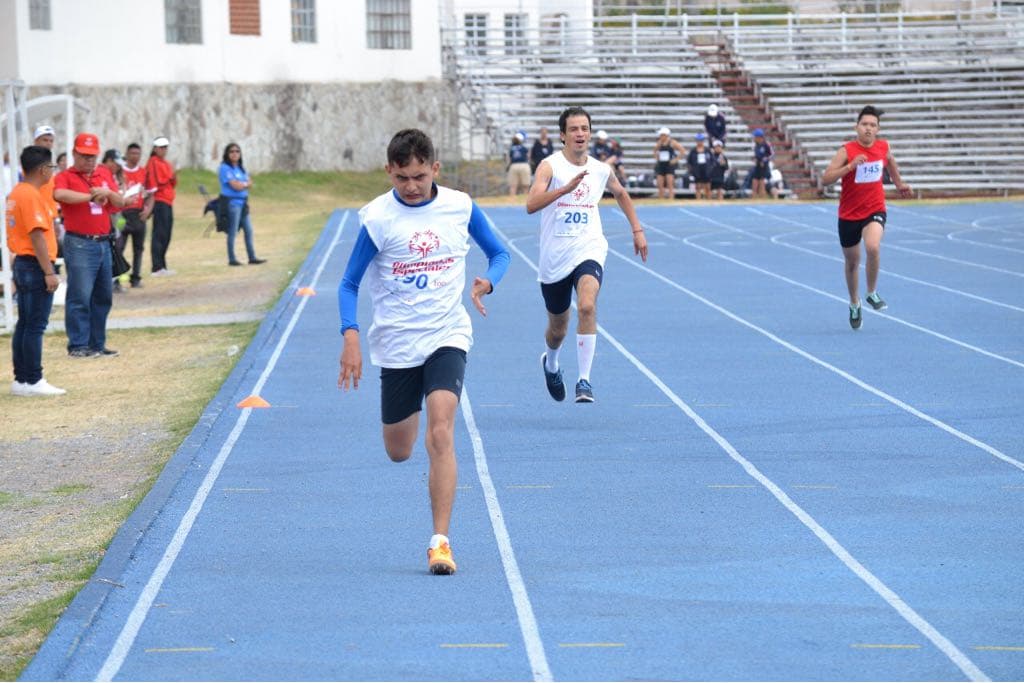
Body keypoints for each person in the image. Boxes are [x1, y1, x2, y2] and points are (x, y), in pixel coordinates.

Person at [337, 129, 510, 575]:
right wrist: (350, 335)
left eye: (418, 176)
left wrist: (488, 280)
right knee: (399, 450)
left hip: (446, 334)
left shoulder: (460, 207)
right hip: (396, 344)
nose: (411, 187)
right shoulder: (377, 218)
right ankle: (432, 515)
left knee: (441, 432)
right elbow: (348, 283)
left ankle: (440, 542)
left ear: (435, 168)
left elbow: (499, 254)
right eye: (401, 179)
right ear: (389, 172)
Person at [527, 106, 648, 403]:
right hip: (555, 255)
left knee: (587, 307)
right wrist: (564, 189)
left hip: (589, 246)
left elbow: (620, 192)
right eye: (574, 129)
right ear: (563, 136)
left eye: (584, 128)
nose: (580, 134)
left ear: (590, 133)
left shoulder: (600, 169)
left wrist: (637, 229)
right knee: (558, 328)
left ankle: (584, 381)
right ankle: (552, 363)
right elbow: (531, 204)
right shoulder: (550, 166)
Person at [821, 105, 911, 330]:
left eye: (873, 125)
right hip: (849, 214)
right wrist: (850, 166)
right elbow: (826, 179)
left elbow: (890, 161)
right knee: (852, 263)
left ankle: (871, 292)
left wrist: (899, 183)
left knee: (873, 247)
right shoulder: (846, 150)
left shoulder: (883, 147)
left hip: (875, 209)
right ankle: (854, 302)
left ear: (878, 129)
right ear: (857, 127)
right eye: (865, 125)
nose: (868, 129)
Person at [53, 132, 126, 358]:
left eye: (92, 156)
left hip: (103, 242)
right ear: (74, 153)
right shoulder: (66, 175)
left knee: (103, 296)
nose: (89, 161)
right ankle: (78, 344)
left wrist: (108, 193)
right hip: (80, 243)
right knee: (80, 295)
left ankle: (97, 343)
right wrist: (89, 196)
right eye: (84, 156)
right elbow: (59, 194)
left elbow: (120, 202)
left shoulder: (104, 173)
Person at [7, 145, 65, 396]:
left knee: (25, 323)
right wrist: (48, 271)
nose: (52, 171)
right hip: (34, 264)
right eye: (51, 167)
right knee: (35, 325)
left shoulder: (17, 193)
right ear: (43, 169)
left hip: (22, 262)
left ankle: (21, 378)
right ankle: (33, 379)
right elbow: (37, 236)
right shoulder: (31, 196)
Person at [218, 143, 266, 266]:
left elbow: (249, 182)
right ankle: (232, 258)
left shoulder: (240, 168)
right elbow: (236, 185)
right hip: (232, 203)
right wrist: (244, 184)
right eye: (232, 151)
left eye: (237, 151)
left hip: (243, 203)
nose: (235, 154)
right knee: (233, 231)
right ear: (227, 154)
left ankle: (252, 256)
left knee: (249, 230)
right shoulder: (224, 168)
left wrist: (243, 184)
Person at [118, 143, 150, 288]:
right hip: (123, 213)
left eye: (138, 153)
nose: (135, 156)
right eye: (132, 153)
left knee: (139, 248)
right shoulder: (120, 171)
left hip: (138, 214)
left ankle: (135, 277)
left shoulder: (144, 172)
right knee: (119, 247)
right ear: (127, 154)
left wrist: (148, 209)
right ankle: (117, 279)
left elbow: (151, 193)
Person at [145, 136, 177, 276]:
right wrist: (171, 177)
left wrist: (174, 177)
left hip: (168, 201)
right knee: (159, 234)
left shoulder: (166, 163)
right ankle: (156, 267)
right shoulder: (153, 162)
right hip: (159, 200)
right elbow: (158, 181)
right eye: (161, 147)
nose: (163, 150)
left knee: (166, 234)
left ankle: (162, 265)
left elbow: (172, 183)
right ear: (155, 148)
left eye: (165, 147)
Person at [652, 127, 685, 200]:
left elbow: (682, 151)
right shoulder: (659, 143)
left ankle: (671, 198)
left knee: (670, 183)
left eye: (661, 135)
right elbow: (654, 151)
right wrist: (657, 158)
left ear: (666, 135)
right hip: (661, 164)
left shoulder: (672, 142)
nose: (660, 137)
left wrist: (675, 160)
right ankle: (661, 198)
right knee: (660, 183)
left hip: (669, 165)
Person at [687, 132, 712, 200]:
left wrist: (710, 169)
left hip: (706, 170)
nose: (699, 142)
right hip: (697, 170)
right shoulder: (693, 151)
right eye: (698, 140)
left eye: (701, 140)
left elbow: (712, 160)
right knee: (698, 186)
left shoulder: (707, 150)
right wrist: (692, 170)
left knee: (708, 187)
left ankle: (709, 200)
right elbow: (689, 161)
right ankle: (698, 200)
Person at [750, 128, 773, 199]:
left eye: (755, 137)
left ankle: (762, 197)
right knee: (754, 181)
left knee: (761, 182)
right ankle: (754, 197)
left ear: (759, 137)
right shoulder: (756, 145)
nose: (754, 138)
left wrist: (764, 160)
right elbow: (757, 155)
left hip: (763, 166)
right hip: (757, 165)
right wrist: (755, 159)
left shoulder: (766, 144)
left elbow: (771, 154)